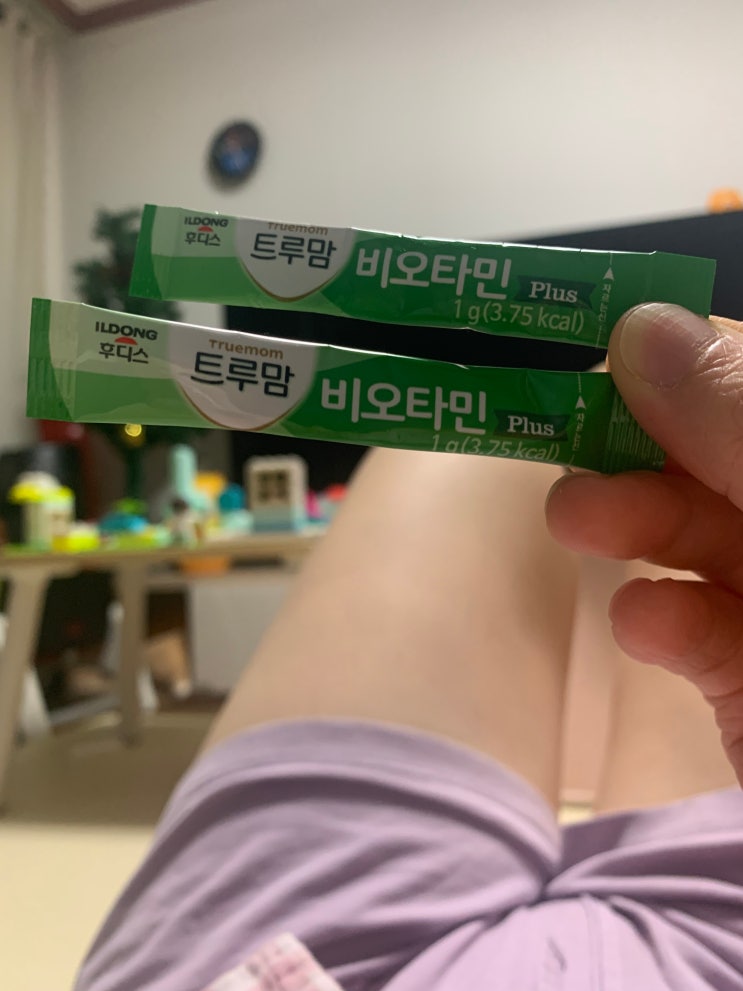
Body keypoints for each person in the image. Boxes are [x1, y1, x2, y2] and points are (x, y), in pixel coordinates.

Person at [75, 304, 743, 991]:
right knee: (621, 452)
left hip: (296, 953)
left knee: (481, 439)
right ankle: (633, 376)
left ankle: (630, 378)